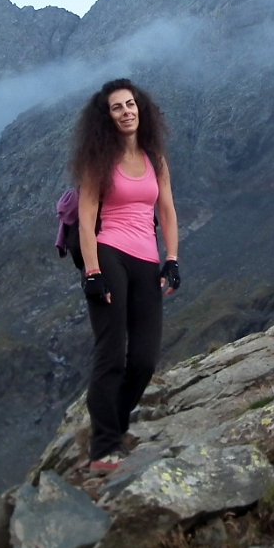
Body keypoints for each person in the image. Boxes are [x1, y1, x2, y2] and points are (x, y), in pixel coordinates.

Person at [70, 78, 180, 473]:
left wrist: (173, 259)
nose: (126, 111)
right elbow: (85, 219)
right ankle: (104, 449)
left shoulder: (155, 157)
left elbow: (165, 211)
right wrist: (93, 271)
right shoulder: (98, 159)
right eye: (117, 107)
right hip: (108, 252)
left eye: (130, 104)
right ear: (107, 116)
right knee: (112, 353)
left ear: (141, 108)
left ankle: (109, 427)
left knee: (145, 359)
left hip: (147, 260)